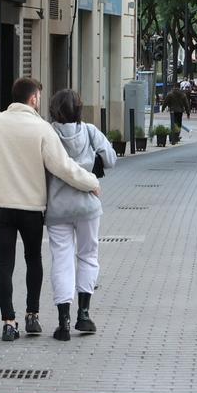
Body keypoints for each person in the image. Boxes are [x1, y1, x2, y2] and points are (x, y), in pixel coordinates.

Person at [0, 78, 100, 342]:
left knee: (4, 263)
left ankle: (9, 322)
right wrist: (91, 183)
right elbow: (63, 168)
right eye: (39, 98)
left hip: (1, 205)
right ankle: (32, 316)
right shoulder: (42, 128)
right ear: (33, 99)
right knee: (34, 260)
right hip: (32, 207)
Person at [45, 89, 116, 341]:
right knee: (88, 255)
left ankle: (63, 321)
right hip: (88, 205)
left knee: (61, 260)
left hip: (57, 207)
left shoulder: (48, 132)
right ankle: (83, 314)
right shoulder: (89, 131)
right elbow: (111, 159)